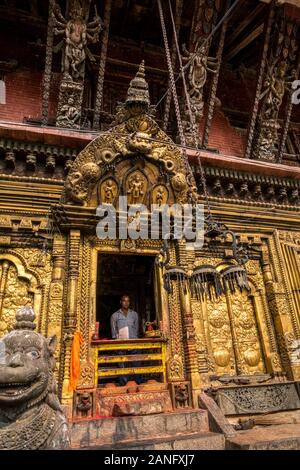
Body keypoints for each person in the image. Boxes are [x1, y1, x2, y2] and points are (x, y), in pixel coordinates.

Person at [110, 295, 140, 385]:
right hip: (121, 344)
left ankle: (137, 383)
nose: (126, 303)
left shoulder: (134, 314)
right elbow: (114, 333)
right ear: (120, 302)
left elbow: (136, 329)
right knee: (122, 365)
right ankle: (123, 384)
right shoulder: (115, 316)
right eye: (124, 301)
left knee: (136, 363)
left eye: (128, 301)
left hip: (134, 343)